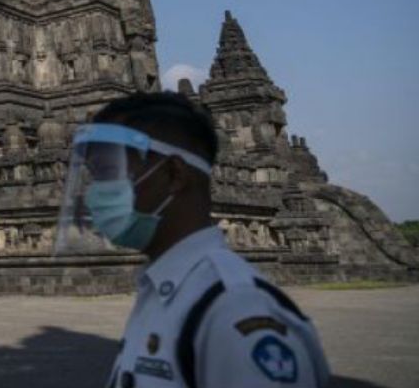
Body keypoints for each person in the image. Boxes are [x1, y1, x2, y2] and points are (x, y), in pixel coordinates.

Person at [55, 92, 330, 388]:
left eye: (109, 172)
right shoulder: (162, 292)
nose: (95, 192)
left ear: (174, 174)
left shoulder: (234, 311)